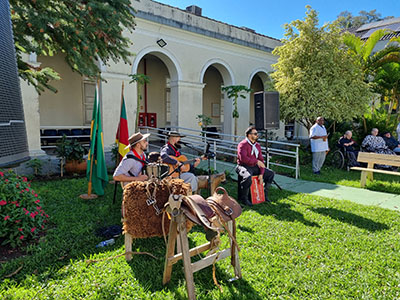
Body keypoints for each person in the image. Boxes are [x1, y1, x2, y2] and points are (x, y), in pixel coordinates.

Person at [236, 126, 275, 205]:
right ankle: (244, 198)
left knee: (270, 174)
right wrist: (256, 161)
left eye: (257, 133)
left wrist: (261, 173)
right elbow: (243, 159)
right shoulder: (242, 144)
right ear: (249, 135)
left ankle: (264, 195)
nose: (257, 135)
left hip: (254, 166)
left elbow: (261, 161)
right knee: (247, 177)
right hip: (243, 166)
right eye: (255, 133)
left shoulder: (257, 145)